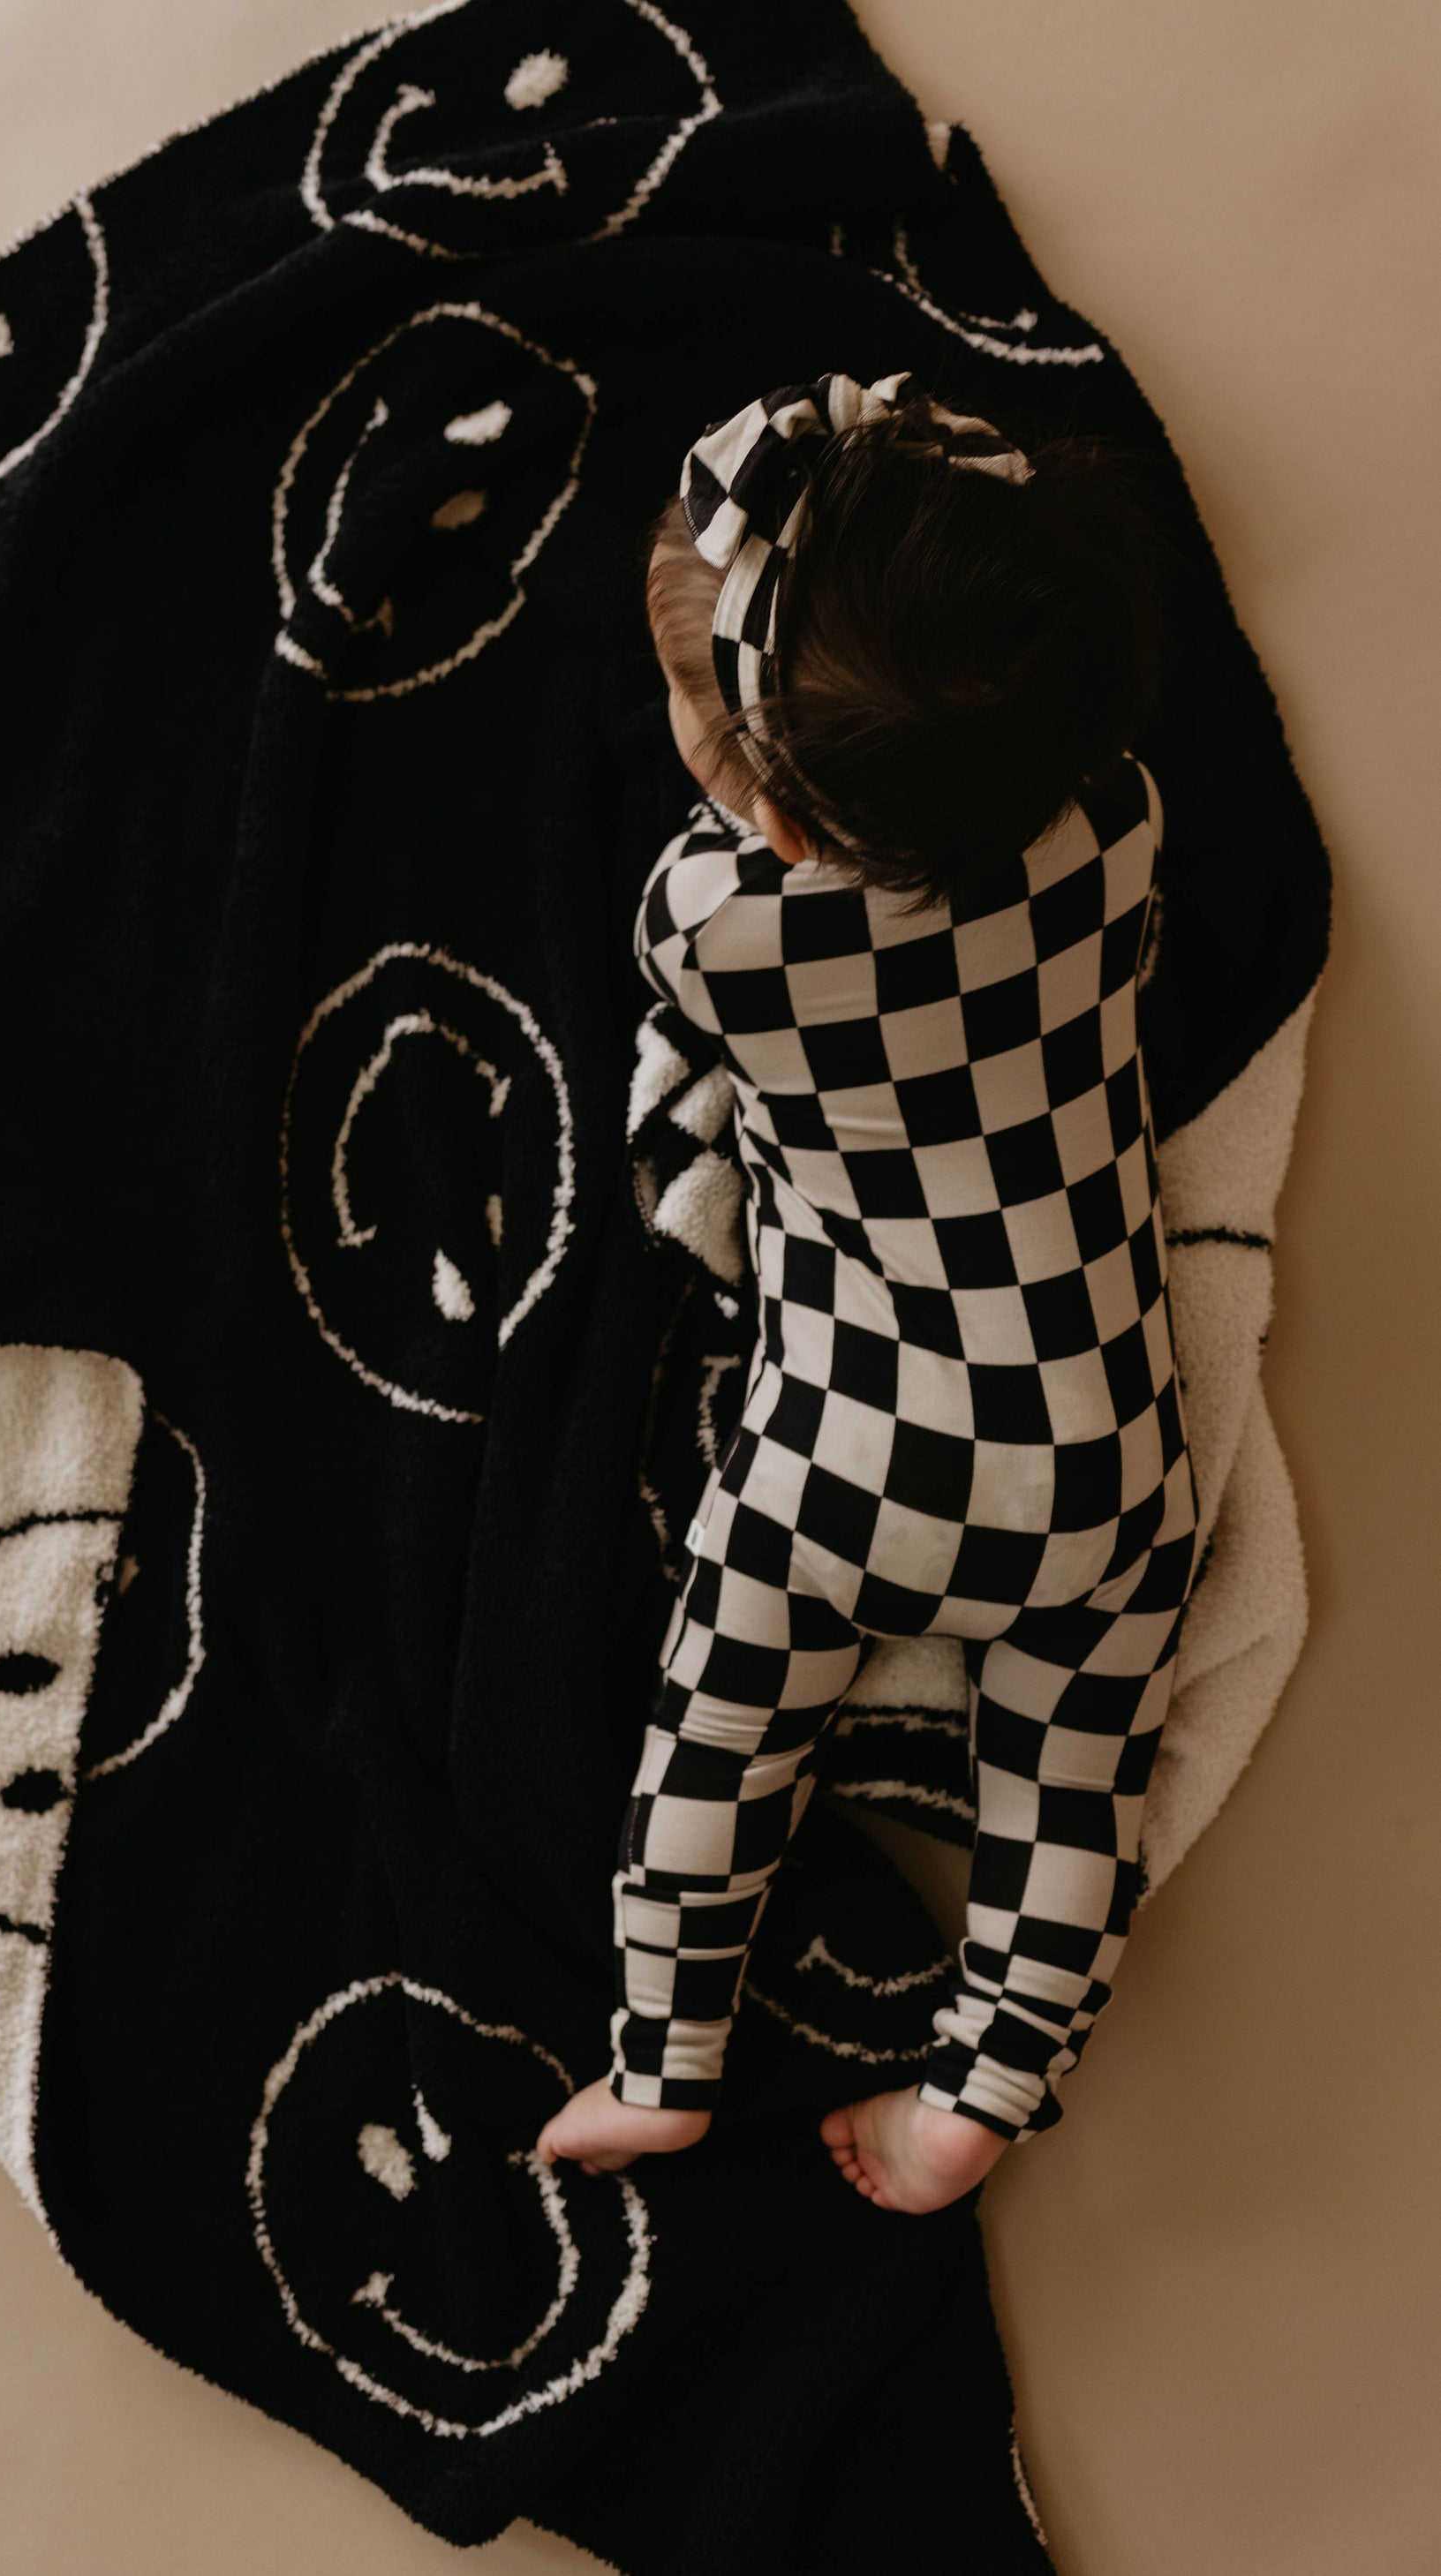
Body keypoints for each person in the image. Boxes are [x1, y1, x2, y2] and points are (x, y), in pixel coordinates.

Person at [536, 372, 1198, 2215]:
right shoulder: (1115, 828)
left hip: (856, 1449)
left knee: (720, 1728)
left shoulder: (714, 925)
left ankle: (662, 2062)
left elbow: (692, 1056)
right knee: (1073, 1784)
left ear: (798, 827)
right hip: (1095, 1448)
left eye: (698, 712)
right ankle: (973, 2098)